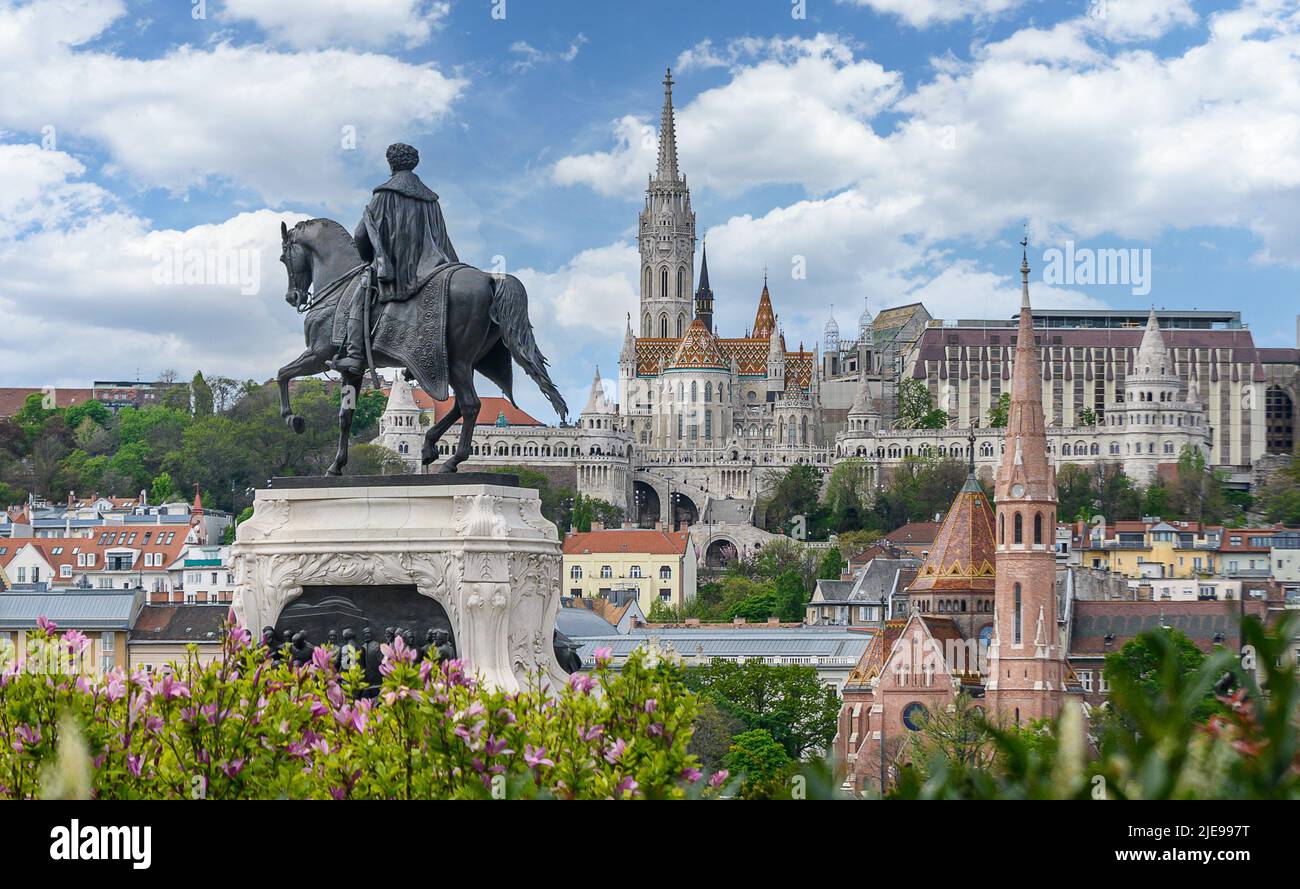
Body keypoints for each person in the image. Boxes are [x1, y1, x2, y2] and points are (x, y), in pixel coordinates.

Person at [329, 142, 458, 376]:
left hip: (398, 269)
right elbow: (442, 238)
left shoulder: (384, 193)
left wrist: (372, 261)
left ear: (391, 164)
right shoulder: (431, 199)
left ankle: (355, 355)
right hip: (434, 267)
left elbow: (360, 235)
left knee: (360, 295)